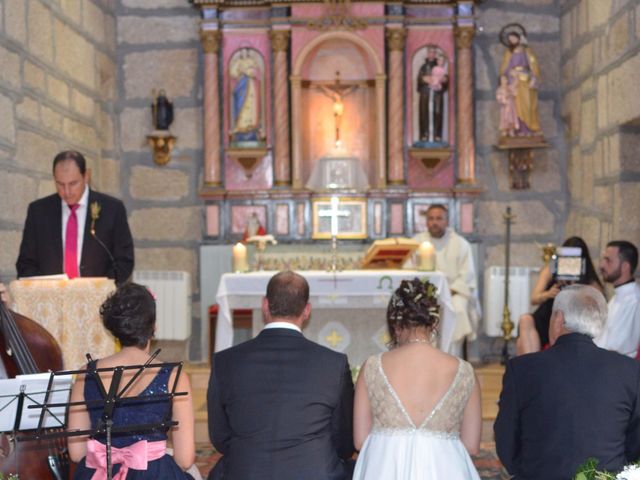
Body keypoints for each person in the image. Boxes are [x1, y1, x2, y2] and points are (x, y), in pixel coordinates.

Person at [207, 271, 355, 480]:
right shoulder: (333, 363)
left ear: (265, 305)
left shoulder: (225, 361)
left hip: (247, 472)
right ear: (306, 310)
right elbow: (344, 443)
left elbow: (219, 437)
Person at [494, 285, 640, 479]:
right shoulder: (629, 370)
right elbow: (635, 443)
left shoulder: (521, 369)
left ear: (559, 320)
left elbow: (506, 443)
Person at [352, 278, 481, 479]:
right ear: (435, 322)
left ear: (395, 325)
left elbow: (360, 440)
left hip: (384, 468)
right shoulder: (464, 370)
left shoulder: (372, 366)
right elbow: (471, 446)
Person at [67, 283, 196, 479]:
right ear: (153, 327)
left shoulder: (86, 373)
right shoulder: (174, 376)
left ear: (114, 329)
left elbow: (76, 453)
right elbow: (185, 459)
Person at [16, 150, 134, 284]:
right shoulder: (38, 211)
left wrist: (103, 289)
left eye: (73, 184)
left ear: (86, 176)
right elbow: (26, 263)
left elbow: (124, 260)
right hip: (52, 298)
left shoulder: (112, 209)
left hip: (98, 297)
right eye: (60, 184)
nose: (66, 192)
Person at [516, 236, 603, 355]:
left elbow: (598, 305)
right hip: (547, 316)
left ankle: (532, 366)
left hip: (571, 322)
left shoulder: (589, 279)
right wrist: (548, 294)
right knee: (525, 320)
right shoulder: (551, 270)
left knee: (521, 343)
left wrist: (576, 288)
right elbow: (534, 298)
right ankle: (533, 365)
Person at [412, 204, 479, 357]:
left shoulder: (461, 244)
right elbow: (409, 272)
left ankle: (452, 358)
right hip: (423, 295)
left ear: (447, 221)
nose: (434, 222)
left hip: (453, 293)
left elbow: (466, 278)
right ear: (426, 221)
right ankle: (423, 357)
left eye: (439, 218)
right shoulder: (416, 242)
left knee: (457, 309)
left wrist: (445, 293)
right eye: (431, 219)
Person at [594, 240, 640, 357]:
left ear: (625, 267)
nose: (602, 265)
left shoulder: (633, 301)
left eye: (608, 260)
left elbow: (615, 349)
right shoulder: (618, 296)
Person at [499, 31, 542, 137]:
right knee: (515, 107)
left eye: (513, 37)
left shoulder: (527, 51)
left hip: (525, 80)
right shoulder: (508, 53)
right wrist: (509, 75)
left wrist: (534, 77)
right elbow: (505, 68)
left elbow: (533, 65)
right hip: (514, 82)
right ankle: (517, 129)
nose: (512, 40)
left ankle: (529, 128)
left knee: (527, 104)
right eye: (510, 39)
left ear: (518, 38)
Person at [230, 48, 262, 143]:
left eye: (245, 51)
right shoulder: (237, 62)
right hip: (241, 85)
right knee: (240, 103)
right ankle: (240, 127)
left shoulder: (251, 61)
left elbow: (256, 73)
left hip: (250, 86)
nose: (243, 52)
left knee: (250, 105)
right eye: (242, 51)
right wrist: (241, 71)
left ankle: (250, 127)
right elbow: (233, 73)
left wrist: (247, 71)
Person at [417, 46, 448, 143]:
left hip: (437, 94)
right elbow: (419, 80)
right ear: (427, 54)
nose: (432, 54)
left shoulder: (440, 66)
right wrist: (423, 79)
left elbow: (445, 79)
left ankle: (437, 135)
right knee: (424, 113)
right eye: (430, 52)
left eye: (434, 52)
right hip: (426, 93)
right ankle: (424, 134)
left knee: (437, 113)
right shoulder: (423, 67)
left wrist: (444, 80)